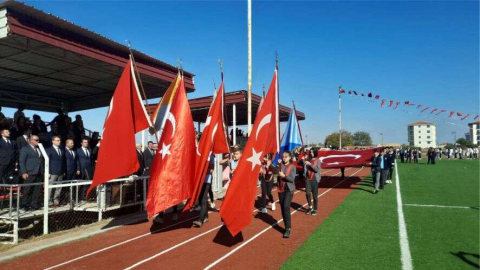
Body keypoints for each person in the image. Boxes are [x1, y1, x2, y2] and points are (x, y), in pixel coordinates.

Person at [19, 135, 44, 210]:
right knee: (27, 189)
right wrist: (24, 172)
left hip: (39, 172)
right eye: (36, 140)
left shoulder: (39, 149)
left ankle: (33, 204)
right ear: (31, 140)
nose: (38, 141)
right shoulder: (25, 149)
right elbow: (22, 161)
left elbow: (41, 160)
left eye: (38, 140)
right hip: (30, 172)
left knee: (37, 189)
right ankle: (24, 204)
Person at [277, 151, 296, 238]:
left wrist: (284, 176)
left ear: (290, 158)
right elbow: (276, 175)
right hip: (281, 189)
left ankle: (288, 228)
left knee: (286, 207)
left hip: (289, 190)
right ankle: (286, 226)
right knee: (282, 209)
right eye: (283, 156)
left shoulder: (292, 167)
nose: (284, 158)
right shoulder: (280, 166)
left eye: (286, 157)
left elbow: (292, 179)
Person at [193, 155, 215, 228]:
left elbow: (211, 170)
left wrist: (203, 170)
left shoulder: (211, 156)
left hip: (206, 180)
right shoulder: (200, 154)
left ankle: (200, 220)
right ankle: (206, 216)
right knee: (201, 199)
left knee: (203, 199)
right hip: (200, 181)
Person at [47, 136, 65, 206]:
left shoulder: (61, 150)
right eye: (57, 140)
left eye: (59, 140)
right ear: (53, 141)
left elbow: (62, 161)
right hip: (52, 172)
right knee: (50, 187)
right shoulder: (49, 150)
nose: (59, 141)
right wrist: (48, 172)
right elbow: (47, 161)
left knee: (59, 187)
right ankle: (49, 201)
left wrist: (63, 171)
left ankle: (56, 200)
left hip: (60, 171)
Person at [302, 150, 321, 215]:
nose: (311, 153)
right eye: (311, 152)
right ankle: (310, 207)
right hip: (308, 178)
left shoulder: (318, 160)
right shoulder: (308, 159)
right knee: (307, 193)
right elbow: (305, 168)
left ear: (315, 153)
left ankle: (315, 209)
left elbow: (316, 170)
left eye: (313, 152)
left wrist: (310, 164)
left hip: (315, 179)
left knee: (315, 195)